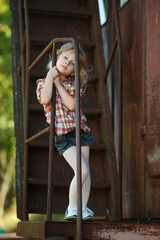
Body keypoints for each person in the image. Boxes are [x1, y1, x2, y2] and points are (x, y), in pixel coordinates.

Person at [36, 42, 94, 221]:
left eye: (73, 63)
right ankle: (71, 207)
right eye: (65, 58)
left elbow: (71, 106)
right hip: (64, 136)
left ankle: (82, 208)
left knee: (87, 172)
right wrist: (51, 76)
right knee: (81, 171)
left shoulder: (74, 85)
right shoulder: (43, 83)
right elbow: (45, 98)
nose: (68, 63)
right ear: (57, 58)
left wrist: (59, 85)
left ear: (74, 72)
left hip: (80, 131)